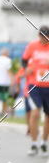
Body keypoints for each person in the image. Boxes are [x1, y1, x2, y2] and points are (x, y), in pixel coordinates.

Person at [22, 25, 49, 156]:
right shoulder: (32, 46)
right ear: (39, 36)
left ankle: (44, 143)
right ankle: (33, 144)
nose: (44, 40)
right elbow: (24, 61)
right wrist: (26, 69)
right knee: (35, 113)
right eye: (42, 37)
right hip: (34, 86)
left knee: (48, 116)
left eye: (47, 38)